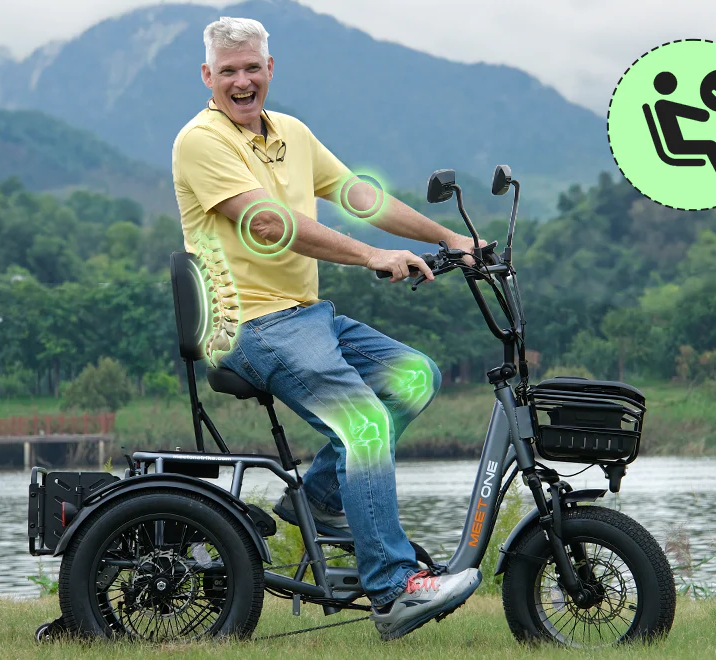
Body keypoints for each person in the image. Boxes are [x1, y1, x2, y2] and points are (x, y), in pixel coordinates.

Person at [171, 16, 485, 641]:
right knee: (364, 425)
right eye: (227, 70)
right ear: (208, 77)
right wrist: (371, 256)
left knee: (415, 376)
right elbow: (267, 224)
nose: (241, 80)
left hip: (309, 318)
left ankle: (315, 497)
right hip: (252, 326)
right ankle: (393, 591)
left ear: (269, 70)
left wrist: (449, 236)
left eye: (251, 67)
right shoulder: (200, 142)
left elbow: (358, 196)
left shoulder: (291, 133)